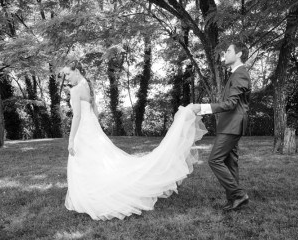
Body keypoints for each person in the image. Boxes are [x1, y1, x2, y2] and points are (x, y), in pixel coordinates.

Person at [62, 60, 207, 220]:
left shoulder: (76, 90)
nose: (66, 78)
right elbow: (95, 112)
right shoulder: (88, 86)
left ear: (76, 70)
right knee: (97, 160)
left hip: (84, 129)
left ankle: (93, 193)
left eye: (68, 73)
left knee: (86, 161)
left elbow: (77, 115)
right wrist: (94, 128)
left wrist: (71, 140)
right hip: (92, 128)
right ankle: (97, 188)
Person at [191, 41, 251, 211]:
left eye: (228, 50)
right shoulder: (235, 74)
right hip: (230, 125)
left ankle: (239, 194)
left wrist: (202, 108)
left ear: (239, 54)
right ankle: (234, 200)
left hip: (232, 125)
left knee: (214, 160)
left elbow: (231, 104)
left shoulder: (240, 74)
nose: (225, 53)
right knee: (230, 162)